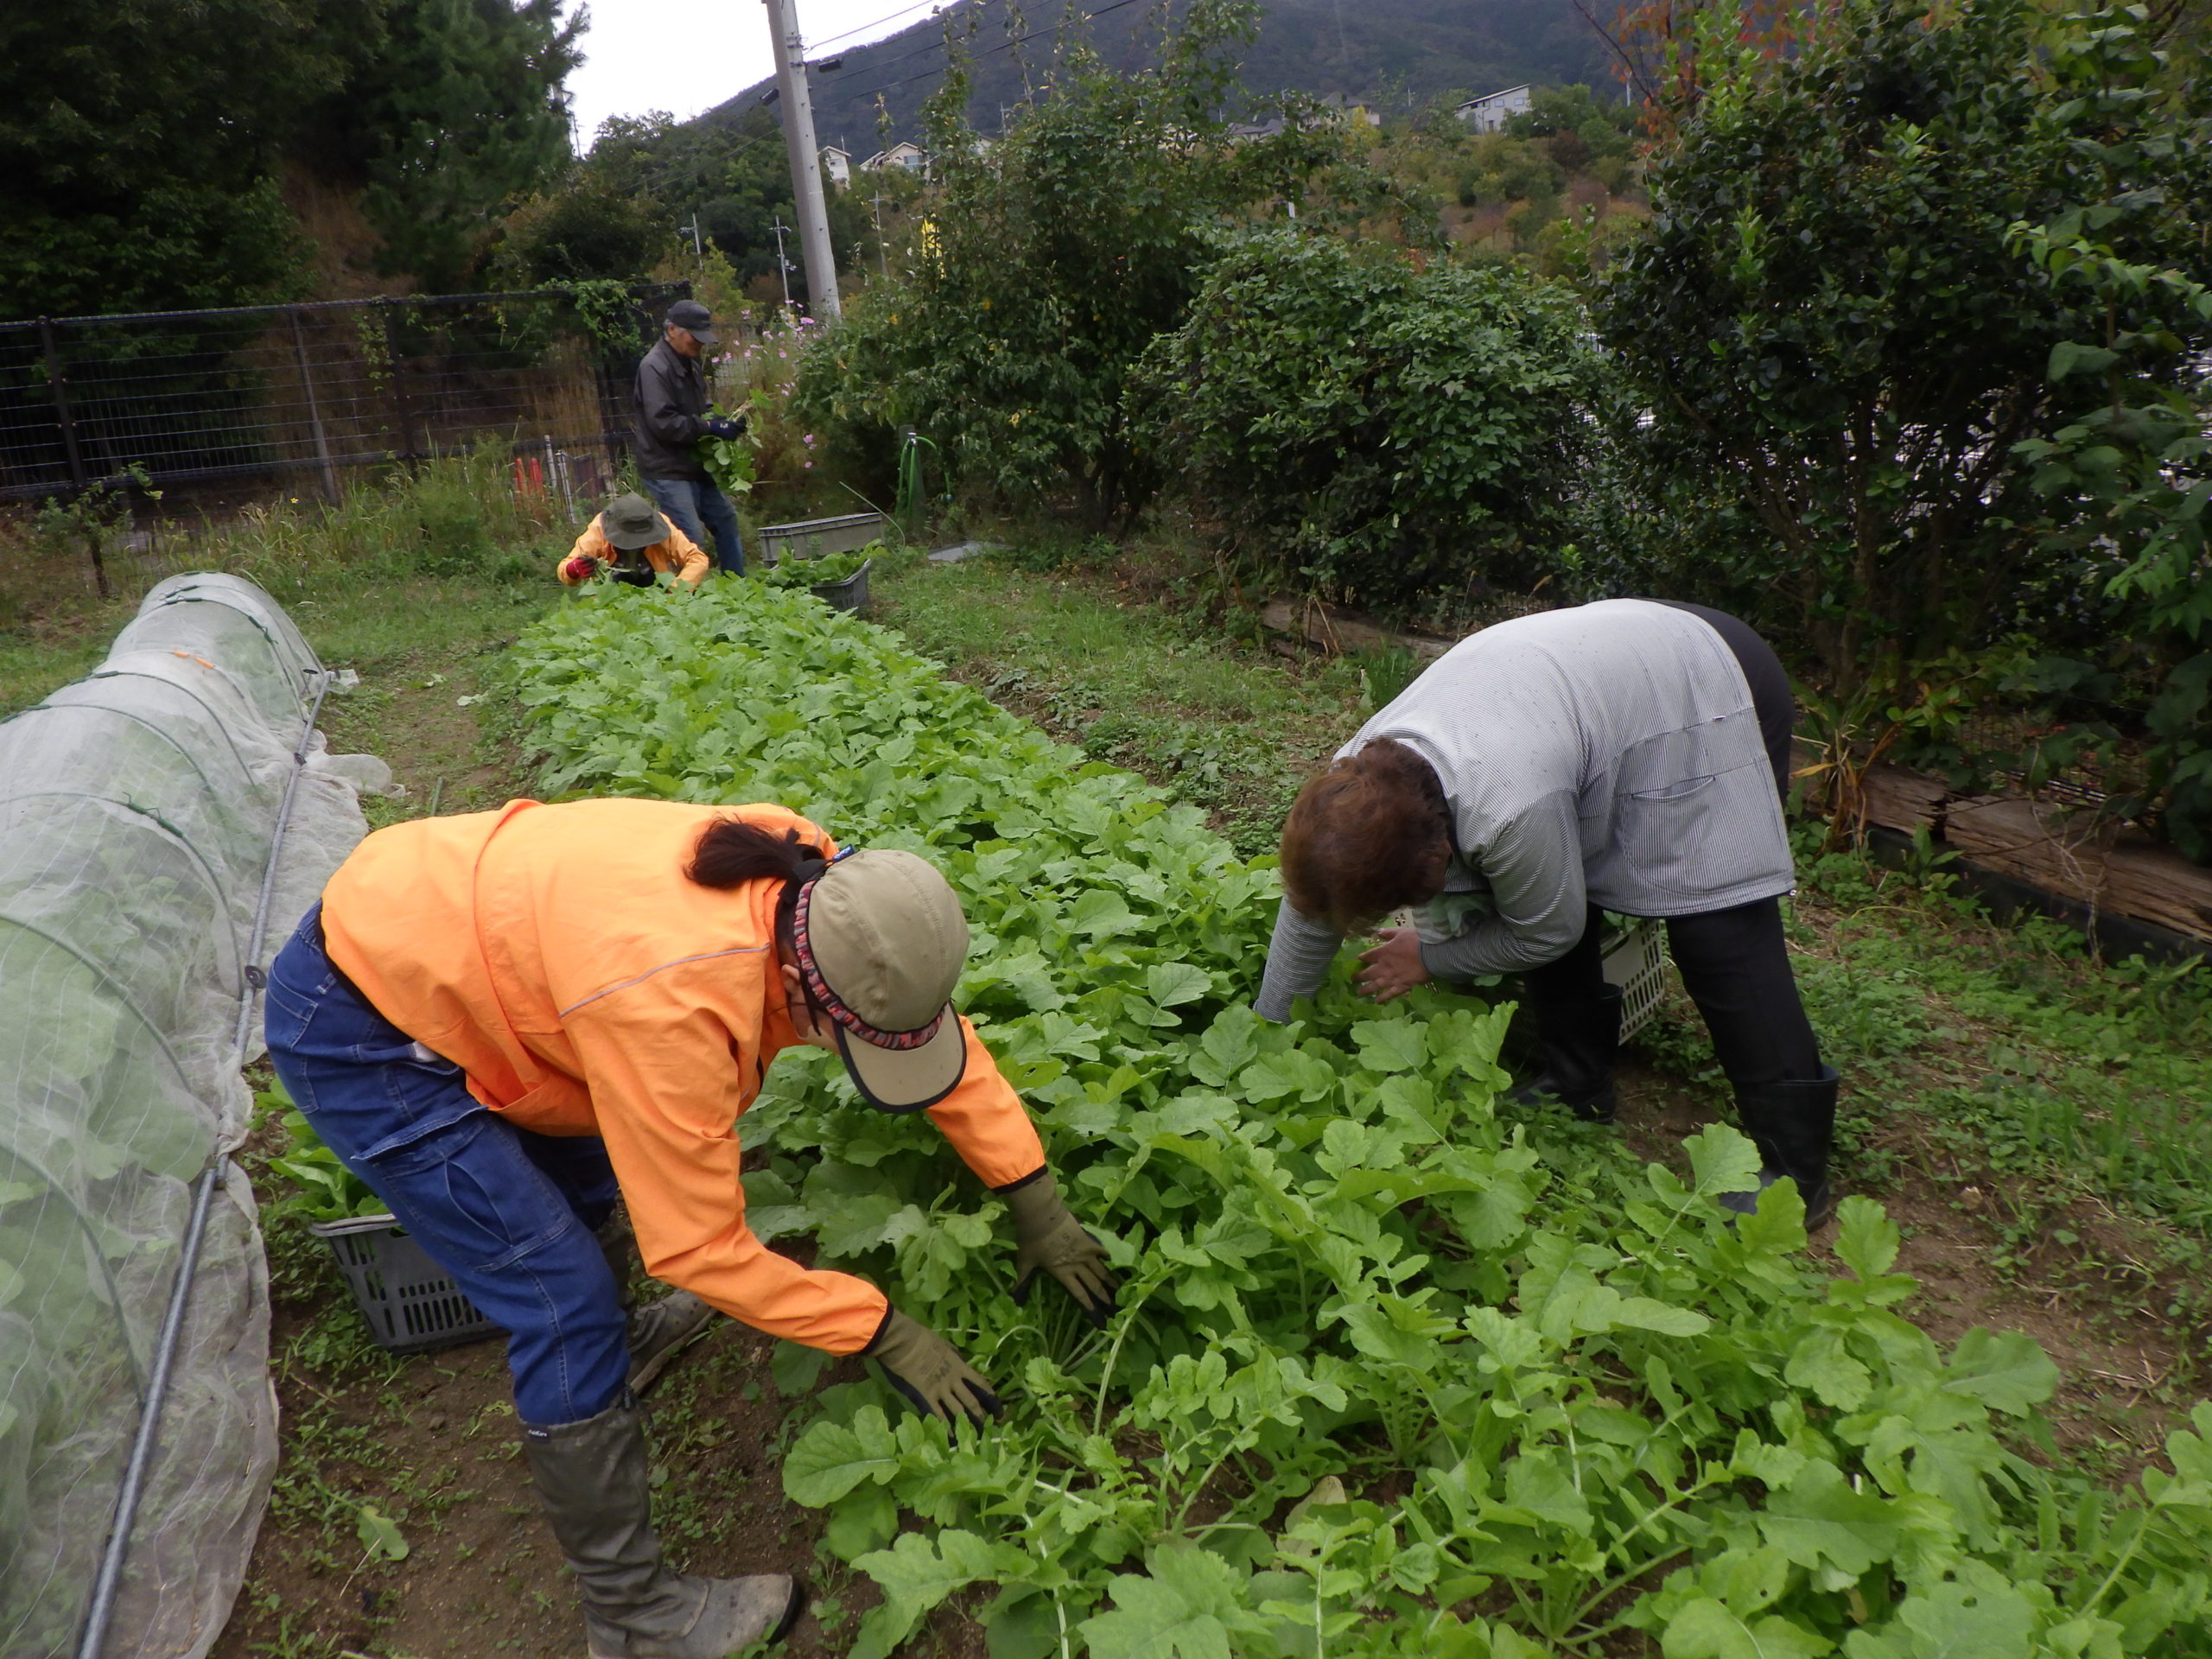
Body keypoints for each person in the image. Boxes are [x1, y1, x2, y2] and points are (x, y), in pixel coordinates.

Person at [264, 800, 1116, 1658]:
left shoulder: (823, 887)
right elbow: (699, 1250)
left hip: (473, 947)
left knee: (589, 1177)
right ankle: (637, 1621)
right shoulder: (671, 1006)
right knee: (559, 1298)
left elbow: (919, 1021)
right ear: (800, 992)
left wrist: (1033, 1196)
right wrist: (881, 1330)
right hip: (366, 1024)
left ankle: (621, 1352)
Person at [1255, 599, 1841, 1227]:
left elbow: (1548, 931)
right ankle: (1577, 1085)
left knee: (1717, 930)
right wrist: (1268, 1035)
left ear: (1438, 858)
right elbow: (1313, 903)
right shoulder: (1352, 783)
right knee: (1543, 883)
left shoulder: (1508, 804)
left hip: (1708, 681)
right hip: (1595, 680)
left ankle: (1795, 1174)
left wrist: (1431, 957)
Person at [634, 298, 748, 575]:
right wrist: (709, 428)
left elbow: (698, 409)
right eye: (694, 337)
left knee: (726, 519)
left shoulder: (690, 363)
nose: (699, 344)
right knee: (689, 537)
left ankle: (739, 590)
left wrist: (718, 421)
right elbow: (664, 423)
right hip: (666, 467)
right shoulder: (654, 368)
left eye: (702, 337)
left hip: (694, 463)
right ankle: (685, 603)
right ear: (673, 330)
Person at [556, 493, 711, 589]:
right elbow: (565, 569)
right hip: (612, 599)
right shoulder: (599, 530)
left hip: (659, 593)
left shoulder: (663, 525)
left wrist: (676, 590)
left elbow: (697, 559)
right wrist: (573, 569)